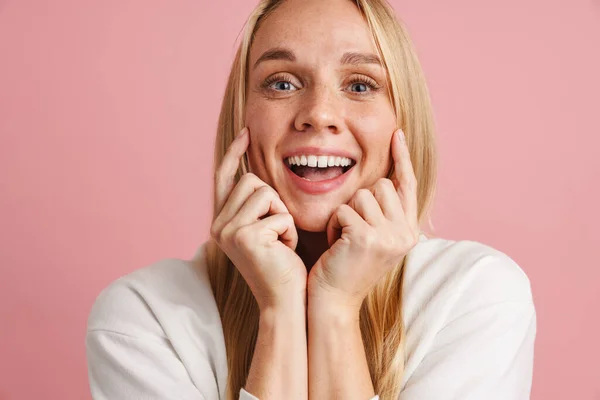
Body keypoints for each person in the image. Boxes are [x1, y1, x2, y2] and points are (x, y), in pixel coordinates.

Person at [86, 0, 537, 399]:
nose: (319, 113)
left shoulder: (476, 298)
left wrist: (336, 307)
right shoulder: (143, 318)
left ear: (404, 123)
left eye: (360, 85)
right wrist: (279, 307)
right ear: (240, 117)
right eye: (282, 83)